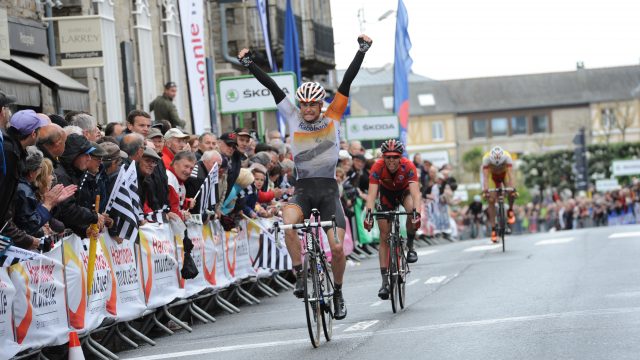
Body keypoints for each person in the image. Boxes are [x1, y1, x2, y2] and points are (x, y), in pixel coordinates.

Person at [237, 33, 373, 320]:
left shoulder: (333, 116)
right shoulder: (292, 117)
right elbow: (271, 85)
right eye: (305, 105)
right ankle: (299, 273)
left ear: (320, 105)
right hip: (302, 190)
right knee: (288, 226)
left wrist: (361, 51)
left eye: (313, 105)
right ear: (299, 105)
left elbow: (346, 82)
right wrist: (250, 64)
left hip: (328, 193)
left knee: (336, 249)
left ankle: (337, 292)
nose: (309, 109)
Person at [363, 139, 422, 300]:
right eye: (387, 157)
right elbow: (371, 195)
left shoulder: (409, 166)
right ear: (383, 157)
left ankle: (410, 245)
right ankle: (384, 282)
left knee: (411, 210)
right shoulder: (377, 167)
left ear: (400, 157)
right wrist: (368, 215)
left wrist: (416, 215)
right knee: (384, 236)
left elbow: (416, 194)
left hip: (404, 192)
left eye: (394, 157)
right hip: (386, 195)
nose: (391, 160)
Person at [0, 110, 50, 249]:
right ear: (33, 134)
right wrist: (26, 240)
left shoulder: (13, 150)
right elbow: (4, 210)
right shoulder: (9, 153)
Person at [481, 146, 518, 243]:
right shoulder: (486, 158)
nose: (497, 166)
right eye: (495, 165)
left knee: (511, 191)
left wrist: (512, 189)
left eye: (500, 164)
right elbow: (485, 178)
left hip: (504, 175)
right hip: (492, 177)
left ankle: (510, 210)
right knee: (491, 200)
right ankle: (493, 229)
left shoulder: (507, 157)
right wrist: (486, 190)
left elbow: (510, 176)